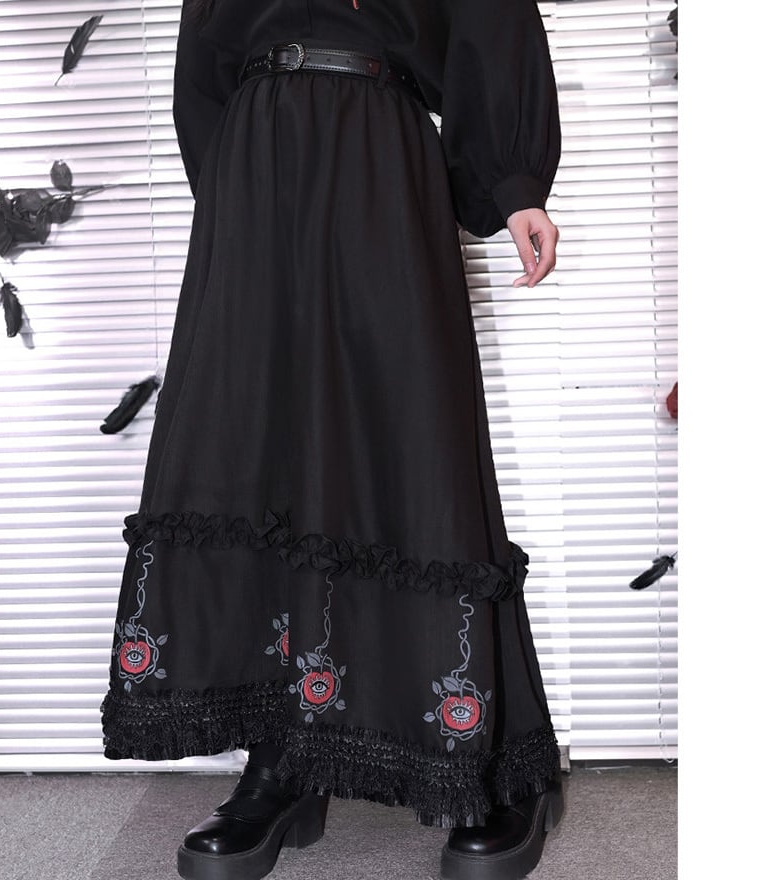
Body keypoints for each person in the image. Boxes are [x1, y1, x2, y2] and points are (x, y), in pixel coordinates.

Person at [100, 2, 562, 879]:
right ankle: (283, 758)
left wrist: (513, 184)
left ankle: (498, 757)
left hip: (380, 147)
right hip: (254, 157)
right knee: (255, 448)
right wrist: (234, 183)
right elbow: (203, 53)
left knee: (417, 442)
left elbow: (489, 15)